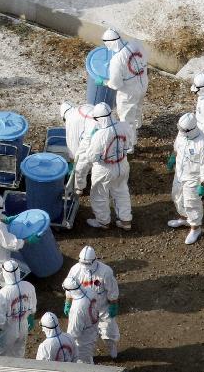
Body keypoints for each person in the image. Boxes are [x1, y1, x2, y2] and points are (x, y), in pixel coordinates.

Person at [75, 102, 133, 231]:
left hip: (104, 169)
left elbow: (91, 157)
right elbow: (130, 144)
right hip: (123, 165)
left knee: (99, 194)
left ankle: (103, 222)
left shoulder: (100, 135)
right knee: (121, 191)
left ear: (99, 118)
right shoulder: (124, 126)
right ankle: (125, 221)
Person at [96, 28, 148, 153]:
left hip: (128, 92)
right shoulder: (136, 44)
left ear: (110, 43)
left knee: (126, 119)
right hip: (142, 82)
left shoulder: (117, 60)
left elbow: (116, 84)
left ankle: (129, 145)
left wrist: (104, 82)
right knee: (138, 107)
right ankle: (138, 125)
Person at [65, 246, 120, 359]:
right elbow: (69, 288)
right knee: (83, 336)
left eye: (88, 263)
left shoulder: (105, 272)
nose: (85, 266)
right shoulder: (75, 270)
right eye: (83, 263)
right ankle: (86, 354)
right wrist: (68, 302)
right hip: (84, 310)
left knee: (109, 332)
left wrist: (113, 304)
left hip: (102, 307)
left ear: (95, 260)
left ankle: (112, 349)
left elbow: (112, 290)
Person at [166, 113, 204, 245]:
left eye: (182, 130)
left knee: (192, 203)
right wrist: (172, 158)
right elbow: (177, 148)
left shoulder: (203, 144)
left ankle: (195, 228)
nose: (179, 131)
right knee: (177, 196)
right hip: (180, 174)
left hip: (193, 178)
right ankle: (184, 218)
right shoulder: (182, 134)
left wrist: (203, 184)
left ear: (191, 129)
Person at [0, 260, 36, 358]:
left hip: (8, 329)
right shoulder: (29, 286)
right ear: (18, 271)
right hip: (23, 326)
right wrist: (31, 317)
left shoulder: (3, 293)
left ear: (5, 273)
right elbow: (33, 305)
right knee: (18, 353)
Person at [62, 277, 99, 364]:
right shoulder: (90, 291)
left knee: (83, 362)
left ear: (71, 290)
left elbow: (74, 332)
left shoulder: (77, 309)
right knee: (89, 354)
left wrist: (66, 342)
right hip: (93, 328)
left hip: (83, 340)